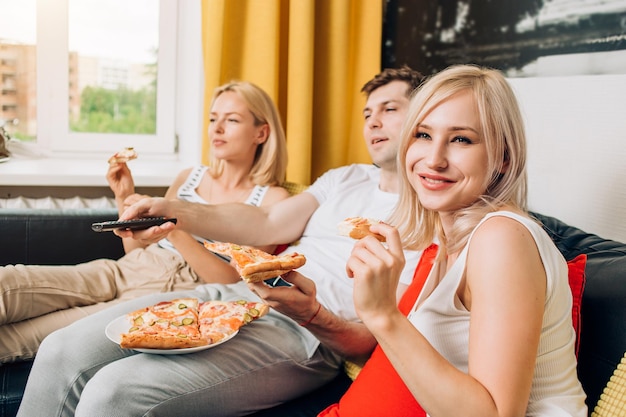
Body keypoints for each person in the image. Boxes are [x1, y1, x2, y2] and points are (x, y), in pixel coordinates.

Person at [17, 66, 425, 417]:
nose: (372, 121)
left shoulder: (438, 214)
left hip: (307, 332)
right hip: (229, 294)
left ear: (425, 117)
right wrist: (176, 211)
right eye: (368, 112)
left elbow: (372, 336)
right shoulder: (345, 177)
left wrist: (313, 314)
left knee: (113, 392)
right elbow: (266, 221)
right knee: (61, 350)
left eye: (389, 110)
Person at [322, 64, 587, 416]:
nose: (433, 160)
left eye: (461, 139)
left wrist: (384, 315)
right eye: (422, 135)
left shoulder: (501, 238)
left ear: (503, 158)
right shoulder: (446, 242)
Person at [0, 81, 290, 363]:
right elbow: (135, 252)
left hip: (170, 294)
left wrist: (175, 228)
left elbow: (231, 280)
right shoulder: (190, 177)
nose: (217, 128)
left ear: (261, 133)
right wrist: (123, 195)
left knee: (25, 336)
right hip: (127, 270)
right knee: (7, 282)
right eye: (213, 118)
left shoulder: (273, 201)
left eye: (233, 120)